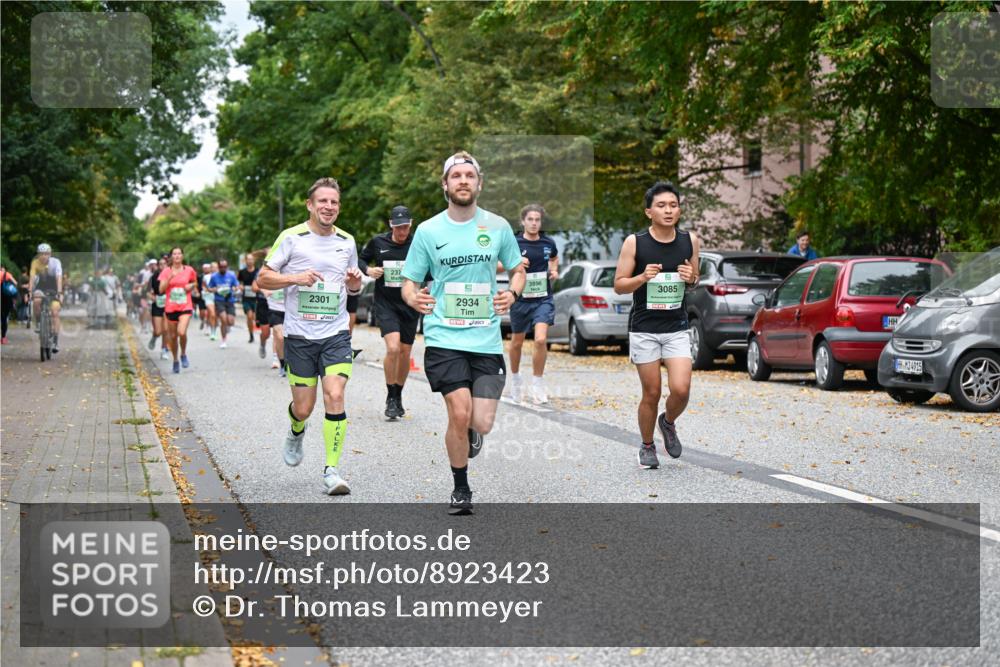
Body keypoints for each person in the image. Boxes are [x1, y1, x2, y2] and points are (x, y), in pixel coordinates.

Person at [401, 151, 525, 515]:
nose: (463, 181)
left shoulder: (497, 226)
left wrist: (512, 293)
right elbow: (409, 281)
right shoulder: (428, 231)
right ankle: (461, 488)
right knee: (459, 412)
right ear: (445, 184)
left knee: (481, 421)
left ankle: (472, 432)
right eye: (456, 176)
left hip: (486, 339)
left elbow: (517, 270)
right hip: (444, 337)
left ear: (479, 184)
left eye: (470, 175)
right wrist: (413, 298)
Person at [256, 177, 364, 495]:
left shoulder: (347, 241)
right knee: (304, 407)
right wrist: (295, 278)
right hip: (300, 336)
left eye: (334, 202)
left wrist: (354, 283)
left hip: (335, 334)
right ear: (310, 205)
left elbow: (352, 287)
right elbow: (263, 278)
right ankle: (296, 428)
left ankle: (332, 470)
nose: (328, 207)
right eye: (323, 201)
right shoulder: (292, 238)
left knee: (335, 394)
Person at [614, 181, 700, 470]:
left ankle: (668, 422)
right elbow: (619, 285)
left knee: (682, 389)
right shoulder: (635, 242)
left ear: (680, 210)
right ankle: (647, 445)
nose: (668, 210)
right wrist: (642, 277)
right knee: (651, 392)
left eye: (673, 205)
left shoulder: (690, 240)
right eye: (661, 205)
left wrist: (691, 277)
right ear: (649, 212)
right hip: (645, 328)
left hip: (676, 327)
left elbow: (695, 278)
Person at [360, 205, 423, 419]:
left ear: (410, 224)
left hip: (410, 304)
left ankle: (398, 395)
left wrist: (422, 285)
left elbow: (431, 269)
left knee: (405, 351)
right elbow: (359, 260)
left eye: (405, 226)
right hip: (385, 304)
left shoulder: (418, 244)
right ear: (390, 225)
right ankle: (390, 396)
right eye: (398, 227)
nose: (402, 231)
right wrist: (369, 270)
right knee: (394, 348)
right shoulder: (378, 242)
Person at [507, 204, 559, 404]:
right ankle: (516, 379)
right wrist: (516, 261)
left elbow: (554, 258)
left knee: (540, 339)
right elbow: (499, 264)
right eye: (530, 219)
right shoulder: (514, 242)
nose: (534, 223)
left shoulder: (548, 242)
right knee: (517, 342)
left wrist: (554, 270)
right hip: (520, 299)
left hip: (543, 299)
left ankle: (538, 382)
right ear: (523, 221)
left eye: (537, 220)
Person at [158, 246, 197, 373]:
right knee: (173, 337)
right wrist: (169, 278)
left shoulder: (189, 270)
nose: (177, 256)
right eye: (174, 254)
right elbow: (161, 290)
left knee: (181, 332)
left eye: (179, 253)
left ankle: (183, 354)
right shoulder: (166, 271)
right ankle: (175, 360)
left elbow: (195, 282)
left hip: (185, 305)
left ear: (182, 256)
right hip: (171, 308)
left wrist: (191, 286)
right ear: (171, 257)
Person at [30, 243, 63, 353]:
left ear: (50, 254)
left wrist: (59, 292)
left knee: (55, 312)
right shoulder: (35, 263)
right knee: (36, 301)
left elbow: (59, 277)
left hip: (54, 287)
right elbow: (32, 278)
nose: (44, 256)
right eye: (41, 254)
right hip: (41, 287)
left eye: (46, 254)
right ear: (38, 255)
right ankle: (39, 323)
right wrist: (29, 291)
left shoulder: (56, 263)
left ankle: (55, 341)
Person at [209, 259, 239, 348]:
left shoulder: (231, 275)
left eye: (224, 267)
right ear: (218, 267)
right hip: (219, 300)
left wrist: (235, 288)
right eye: (221, 267)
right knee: (223, 319)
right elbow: (209, 288)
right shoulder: (214, 276)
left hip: (230, 300)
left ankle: (227, 326)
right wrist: (214, 289)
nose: (223, 268)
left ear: (227, 267)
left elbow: (237, 286)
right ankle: (223, 340)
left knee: (230, 321)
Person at [238, 252, 260, 345]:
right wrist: (240, 287)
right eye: (248, 259)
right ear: (245, 261)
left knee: (255, 317)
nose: (250, 261)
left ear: (254, 260)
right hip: (246, 298)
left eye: (251, 259)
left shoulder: (258, 271)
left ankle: (257, 323)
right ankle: (251, 335)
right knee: (249, 316)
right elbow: (239, 283)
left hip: (257, 297)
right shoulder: (242, 272)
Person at [1, 263, 17, 344]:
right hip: (6, 298)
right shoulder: (7, 274)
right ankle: (3, 338)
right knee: (4, 318)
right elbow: (15, 283)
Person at [199, 263, 216, 336]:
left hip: (216, 297)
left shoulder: (219, 276)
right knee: (208, 312)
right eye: (212, 267)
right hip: (207, 296)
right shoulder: (205, 277)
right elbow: (203, 286)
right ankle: (207, 325)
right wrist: (207, 289)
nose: (214, 269)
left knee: (212, 314)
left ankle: (210, 326)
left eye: (215, 267)